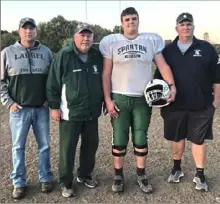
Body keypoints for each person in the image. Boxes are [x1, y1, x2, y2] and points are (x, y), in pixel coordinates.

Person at [99, 7, 177, 193]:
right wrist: (108, 99)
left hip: (143, 98)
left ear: (138, 20)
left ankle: (141, 174)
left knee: (141, 136)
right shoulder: (112, 42)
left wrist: (172, 86)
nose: (130, 22)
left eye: (133, 19)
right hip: (120, 96)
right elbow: (106, 73)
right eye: (127, 20)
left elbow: (163, 65)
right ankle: (118, 176)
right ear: (122, 23)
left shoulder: (150, 41)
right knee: (119, 138)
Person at [154, 12, 220, 191]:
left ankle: (200, 174)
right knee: (177, 139)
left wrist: (215, 102)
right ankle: (177, 169)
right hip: (174, 105)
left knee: (198, 141)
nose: (186, 27)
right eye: (182, 24)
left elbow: (217, 77)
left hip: (201, 104)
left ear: (193, 26)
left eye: (189, 24)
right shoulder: (167, 51)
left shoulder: (206, 48)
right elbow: (158, 79)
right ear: (177, 28)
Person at [46, 23, 103, 198]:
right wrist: (54, 107)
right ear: (75, 37)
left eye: (89, 36)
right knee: (68, 148)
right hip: (70, 112)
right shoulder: (64, 55)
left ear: (93, 38)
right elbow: (53, 83)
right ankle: (66, 182)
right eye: (82, 35)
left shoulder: (96, 55)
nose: (86, 39)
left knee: (91, 144)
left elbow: (103, 79)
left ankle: (84, 174)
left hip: (92, 112)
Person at [0, 17, 53, 199]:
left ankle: (45, 178)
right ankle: (19, 182)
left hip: (41, 108)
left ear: (36, 31)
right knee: (18, 147)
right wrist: (9, 103)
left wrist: (50, 100)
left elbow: (53, 80)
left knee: (44, 146)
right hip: (19, 110)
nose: (28, 31)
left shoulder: (46, 52)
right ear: (19, 31)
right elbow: (1, 82)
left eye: (31, 28)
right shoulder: (7, 52)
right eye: (25, 28)